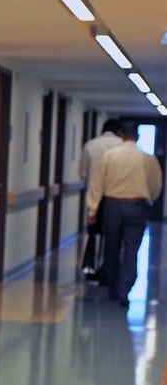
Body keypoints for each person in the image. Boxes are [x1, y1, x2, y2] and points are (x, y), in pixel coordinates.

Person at [87, 120, 163, 306]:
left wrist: (93, 208)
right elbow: (156, 184)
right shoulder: (147, 158)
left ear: (121, 135)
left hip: (112, 205)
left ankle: (112, 286)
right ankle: (124, 290)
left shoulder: (109, 156)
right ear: (137, 136)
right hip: (137, 206)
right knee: (132, 249)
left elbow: (98, 184)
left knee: (111, 247)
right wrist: (150, 198)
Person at [79, 118, 123, 278]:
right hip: (116, 197)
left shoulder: (90, 145)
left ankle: (91, 267)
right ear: (119, 132)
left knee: (94, 232)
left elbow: (82, 173)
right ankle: (108, 269)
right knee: (113, 236)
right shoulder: (122, 146)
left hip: (95, 197)